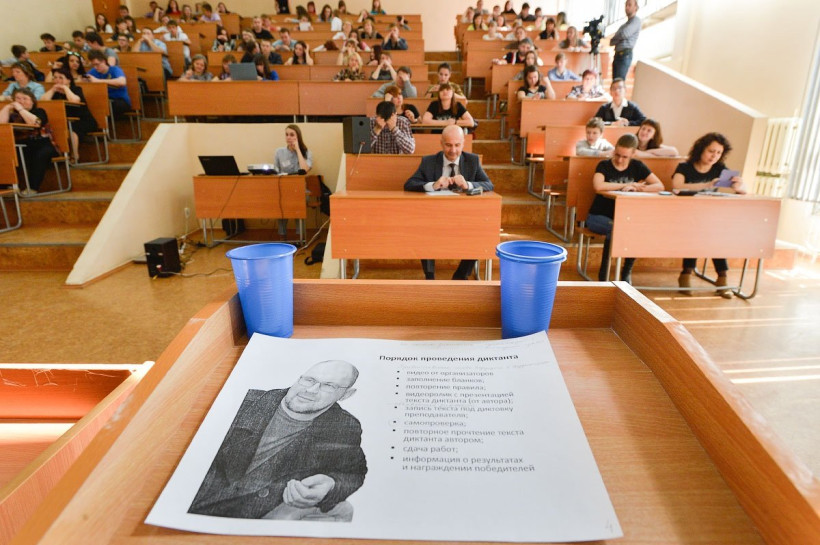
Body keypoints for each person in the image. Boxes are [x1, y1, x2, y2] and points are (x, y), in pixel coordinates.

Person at [189, 360, 367, 520]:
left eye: (328, 386)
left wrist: (331, 485)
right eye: (309, 380)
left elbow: (353, 473)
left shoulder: (344, 426)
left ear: (346, 394)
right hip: (197, 500)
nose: (311, 390)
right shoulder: (245, 401)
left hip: (254, 514)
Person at [404, 125, 494, 280]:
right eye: (448, 145)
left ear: (463, 143)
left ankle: (461, 275)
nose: (453, 150)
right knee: (423, 227)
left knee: (480, 229)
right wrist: (433, 185)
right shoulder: (428, 161)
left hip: (465, 217)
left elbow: (489, 185)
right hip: (434, 217)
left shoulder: (472, 161)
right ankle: (430, 276)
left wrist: (467, 185)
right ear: (441, 143)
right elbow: (409, 184)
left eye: (457, 145)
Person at [672, 132, 746, 297]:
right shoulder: (684, 167)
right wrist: (707, 185)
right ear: (701, 149)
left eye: (719, 153)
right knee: (696, 232)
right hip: (686, 214)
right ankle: (686, 274)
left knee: (715, 234)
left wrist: (739, 186)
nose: (714, 156)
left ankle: (722, 278)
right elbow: (676, 186)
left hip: (710, 215)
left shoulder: (720, 169)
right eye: (711, 151)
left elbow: (741, 190)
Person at [585, 133, 663, 283]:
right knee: (616, 228)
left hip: (625, 218)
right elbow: (598, 185)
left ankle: (626, 272)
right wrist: (626, 185)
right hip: (598, 217)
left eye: (625, 157)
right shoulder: (604, 165)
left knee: (633, 230)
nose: (620, 160)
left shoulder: (638, 166)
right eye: (617, 155)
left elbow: (659, 186)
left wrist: (638, 188)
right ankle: (604, 277)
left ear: (633, 154)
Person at [0, 88, 59, 196]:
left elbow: (35, 123)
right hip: (20, 145)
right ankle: (8, 186)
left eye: (25, 98)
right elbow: (1, 124)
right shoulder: (12, 114)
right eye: (18, 98)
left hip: (42, 144)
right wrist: (7, 107)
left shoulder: (39, 111)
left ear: (32, 101)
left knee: (40, 154)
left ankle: (32, 188)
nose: (21, 101)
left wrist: (21, 109)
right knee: (5, 153)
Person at [42, 68, 99, 163]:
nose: (57, 80)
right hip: (65, 121)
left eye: (61, 78)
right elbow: (43, 102)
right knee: (58, 127)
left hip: (83, 120)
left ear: (69, 80)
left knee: (71, 129)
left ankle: (74, 155)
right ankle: (60, 154)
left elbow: (75, 100)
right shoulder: (55, 92)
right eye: (55, 77)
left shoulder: (76, 89)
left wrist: (65, 88)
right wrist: (52, 90)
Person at [274, 125, 313, 237]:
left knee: (297, 202)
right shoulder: (279, 152)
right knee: (281, 201)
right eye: (286, 135)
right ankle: (282, 235)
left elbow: (304, 170)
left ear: (298, 137)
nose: (289, 137)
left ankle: (300, 236)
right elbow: (276, 172)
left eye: (292, 135)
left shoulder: (307, 152)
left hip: (300, 189)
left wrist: (298, 150)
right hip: (284, 189)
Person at [86, 50, 131, 117]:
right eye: (93, 65)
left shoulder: (115, 69)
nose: (95, 67)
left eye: (97, 64)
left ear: (104, 61)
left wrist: (99, 81)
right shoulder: (93, 72)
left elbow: (122, 82)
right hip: (104, 100)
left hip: (119, 100)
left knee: (106, 107)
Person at [611, 0, 640, 81]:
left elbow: (624, 34)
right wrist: (619, 37)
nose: (627, 7)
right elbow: (612, 41)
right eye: (626, 5)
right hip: (617, 55)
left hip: (625, 55)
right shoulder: (623, 25)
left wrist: (617, 37)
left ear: (635, 7)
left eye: (629, 5)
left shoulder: (636, 21)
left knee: (619, 81)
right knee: (615, 82)